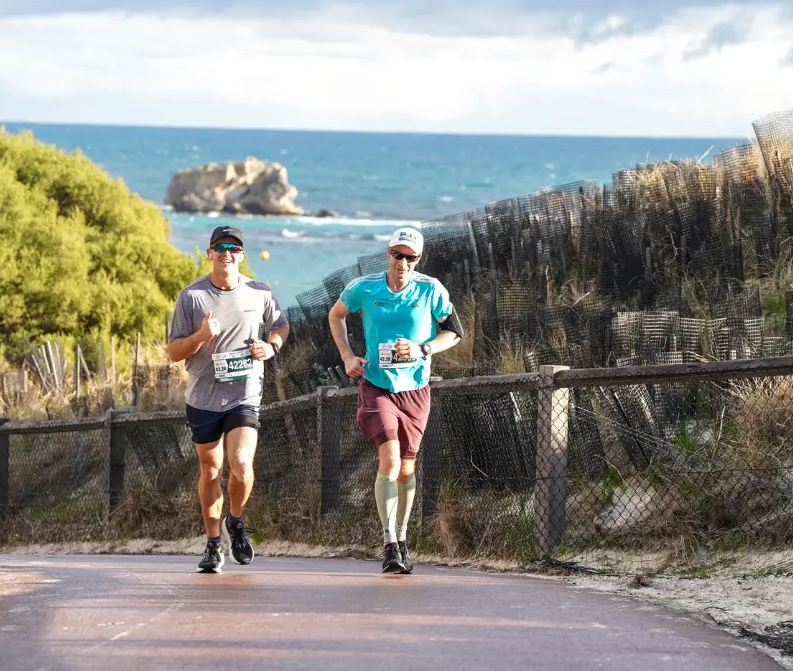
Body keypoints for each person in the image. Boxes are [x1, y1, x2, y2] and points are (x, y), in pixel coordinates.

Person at [328, 227, 464, 574]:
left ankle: (402, 538)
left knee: (406, 467)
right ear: (387, 253)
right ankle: (389, 542)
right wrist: (347, 356)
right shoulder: (364, 287)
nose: (403, 262)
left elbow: (454, 331)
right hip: (377, 386)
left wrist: (422, 349)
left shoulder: (430, 289)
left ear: (418, 259)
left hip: (415, 389)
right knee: (388, 458)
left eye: (410, 257)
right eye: (397, 255)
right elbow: (336, 314)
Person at [167, 225, 290, 573]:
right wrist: (200, 336)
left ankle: (234, 521)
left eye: (234, 248)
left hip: (244, 394)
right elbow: (174, 351)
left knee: (241, 464)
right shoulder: (191, 297)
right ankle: (212, 543)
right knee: (211, 470)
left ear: (242, 255)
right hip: (204, 397)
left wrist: (271, 347)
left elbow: (280, 325)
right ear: (210, 253)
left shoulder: (259, 292)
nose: (227, 253)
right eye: (220, 247)